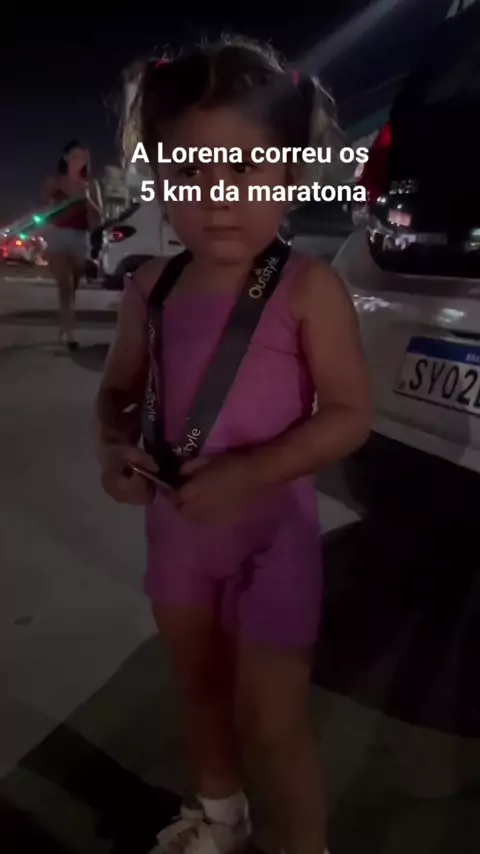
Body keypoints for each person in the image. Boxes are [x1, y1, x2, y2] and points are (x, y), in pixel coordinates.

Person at [95, 38, 372, 854]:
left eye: (244, 167)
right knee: (199, 691)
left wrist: (253, 471)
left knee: (273, 722)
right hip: (177, 537)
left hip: (273, 540)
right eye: (189, 171)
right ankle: (221, 821)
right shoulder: (151, 287)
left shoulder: (308, 287)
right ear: (159, 179)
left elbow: (349, 414)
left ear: (290, 173)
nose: (217, 196)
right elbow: (116, 392)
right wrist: (114, 447)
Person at [42, 140, 103, 350]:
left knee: (73, 286)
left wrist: (87, 199)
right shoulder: (54, 182)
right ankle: (70, 333)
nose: (79, 161)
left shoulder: (91, 185)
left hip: (80, 238)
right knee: (65, 285)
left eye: (83, 157)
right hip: (57, 236)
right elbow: (43, 211)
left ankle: (65, 324)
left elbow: (99, 216)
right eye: (75, 156)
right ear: (66, 157)